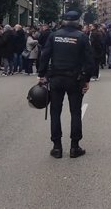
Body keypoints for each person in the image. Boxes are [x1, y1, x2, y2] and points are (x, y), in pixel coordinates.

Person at [37, 11, 94, 159]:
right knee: (75, 112)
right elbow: (89, 61)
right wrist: (87, 79)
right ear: (77, 22)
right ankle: (75, 147)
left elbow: (45, 55)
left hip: (55, 78)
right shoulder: (81, 37)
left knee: (55, 112)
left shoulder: (54, 35)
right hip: (75, 79)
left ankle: (57, 147)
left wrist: (41, 75)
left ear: (63, 21)